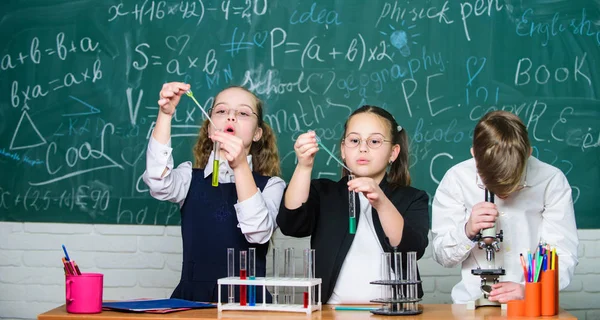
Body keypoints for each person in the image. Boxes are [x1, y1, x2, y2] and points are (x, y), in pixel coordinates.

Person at [143, 82, 285, 302]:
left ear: (257, 133)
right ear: (210, 129)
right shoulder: (190, 177)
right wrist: (165, 114)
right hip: (191, 302)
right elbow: (157, 182)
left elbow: (258, 231)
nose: (230, 117)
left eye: (243, 113)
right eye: (221, 111)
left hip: (249, 305)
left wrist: (239, 166)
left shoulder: (272, 185)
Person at [277, 105, 430, 304]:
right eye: (354, 140)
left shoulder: (413, 198)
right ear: (343, 149)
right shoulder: (324, 193)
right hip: (331, 314)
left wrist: (382, 203)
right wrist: (304, 165)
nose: (363, 147)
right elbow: (291, 224)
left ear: (393, 153)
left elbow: (412, 250)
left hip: (396, 312)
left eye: (374, 141)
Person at [431, 110, 579, 304]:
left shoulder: (551, 181)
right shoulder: (457, 179)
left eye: (513, 185)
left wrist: (529, 289)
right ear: (474, 155)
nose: (504, 195)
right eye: (493, 186)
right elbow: (443, 256)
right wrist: (467, 231)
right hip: (469, 302)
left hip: (530, 305)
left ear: (528, 154)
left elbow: (562, 255)